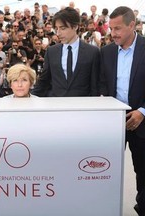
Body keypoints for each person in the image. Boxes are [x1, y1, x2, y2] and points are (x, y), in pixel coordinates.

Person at [99, 6, 145, 216]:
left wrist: (142, 111)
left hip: (141, 120)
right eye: (111, 28)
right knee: (104, 170)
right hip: (111, 122)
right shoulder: (106, 51)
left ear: (132, 25)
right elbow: (101, 84)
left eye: (118, 28)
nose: (113, 33)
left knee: (143, 172)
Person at [32, 7, 100, 97]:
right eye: (56, 28)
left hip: (82, 107)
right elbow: (43, 82)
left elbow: (95, 86)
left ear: (75, 26)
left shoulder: (92, 52)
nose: (58, 33)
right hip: (56, 106)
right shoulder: (51, 52)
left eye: (63, 28)